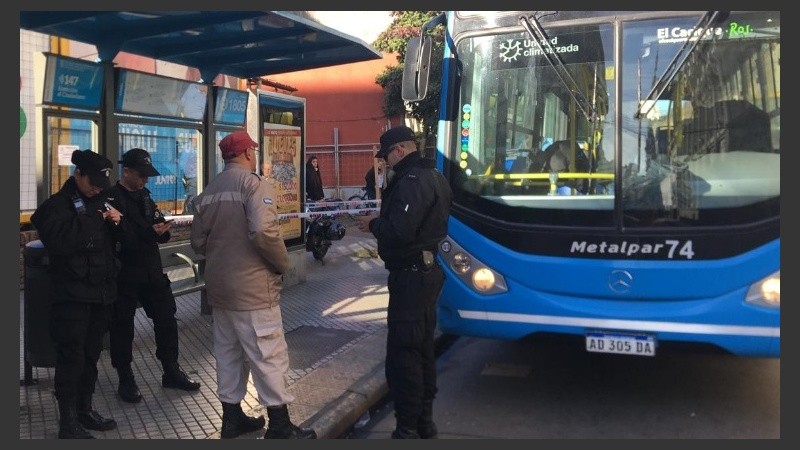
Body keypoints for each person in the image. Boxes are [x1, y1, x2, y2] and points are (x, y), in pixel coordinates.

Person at [190, 131, 317, 440]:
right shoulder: (253, 184)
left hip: (220, 290)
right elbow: (262, 231)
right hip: (254, 290)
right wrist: (282, 263)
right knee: (268, 353)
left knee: (228, 352)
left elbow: (197, 243)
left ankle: (231, 420)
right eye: (254, 152)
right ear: (247, 153)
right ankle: (280, 426)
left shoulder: (208, 192)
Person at [355, 126, 452, 439]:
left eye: (387, 157)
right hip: (426, 273)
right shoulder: (435, 177)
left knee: (403, 355)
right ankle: (424, 422)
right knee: (422, 349)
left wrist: (373, 223)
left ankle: (407, 428)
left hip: (411, 278)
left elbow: (399, 231)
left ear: (399, 150)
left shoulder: (412, 182)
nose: (386, 163)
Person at [30, 149, 122, 439]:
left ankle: (85, 410)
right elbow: (59, 243)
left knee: (91, 356)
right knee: (72, 358)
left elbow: (115, 244)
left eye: (101, 184)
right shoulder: (55, 207)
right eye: (92, 182)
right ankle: (68, 422)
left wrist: (118, 223)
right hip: (70, 297)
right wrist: (95, 219)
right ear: (77, 174)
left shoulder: (102, 203)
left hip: (100, 294)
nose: (97, 188)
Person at [106, 148, 201, 405]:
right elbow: (124, 237)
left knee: (167, 319)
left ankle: (171, 370)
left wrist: (161, 231)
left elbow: (157, 228)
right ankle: (125, 377)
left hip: (151, 272)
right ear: (126, 171)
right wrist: (150, 232)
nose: (145, 180)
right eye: (141, 175)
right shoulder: (111, 200)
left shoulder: (146, 197)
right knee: (122, 326)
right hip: (124, 275)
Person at [179, 144, 198, 213]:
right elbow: (182, 164)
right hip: (192, 177)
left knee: (191, 198)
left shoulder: (190, 148)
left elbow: (182, 164)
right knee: (192, 199)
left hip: (191, 177)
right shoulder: (189, 148)